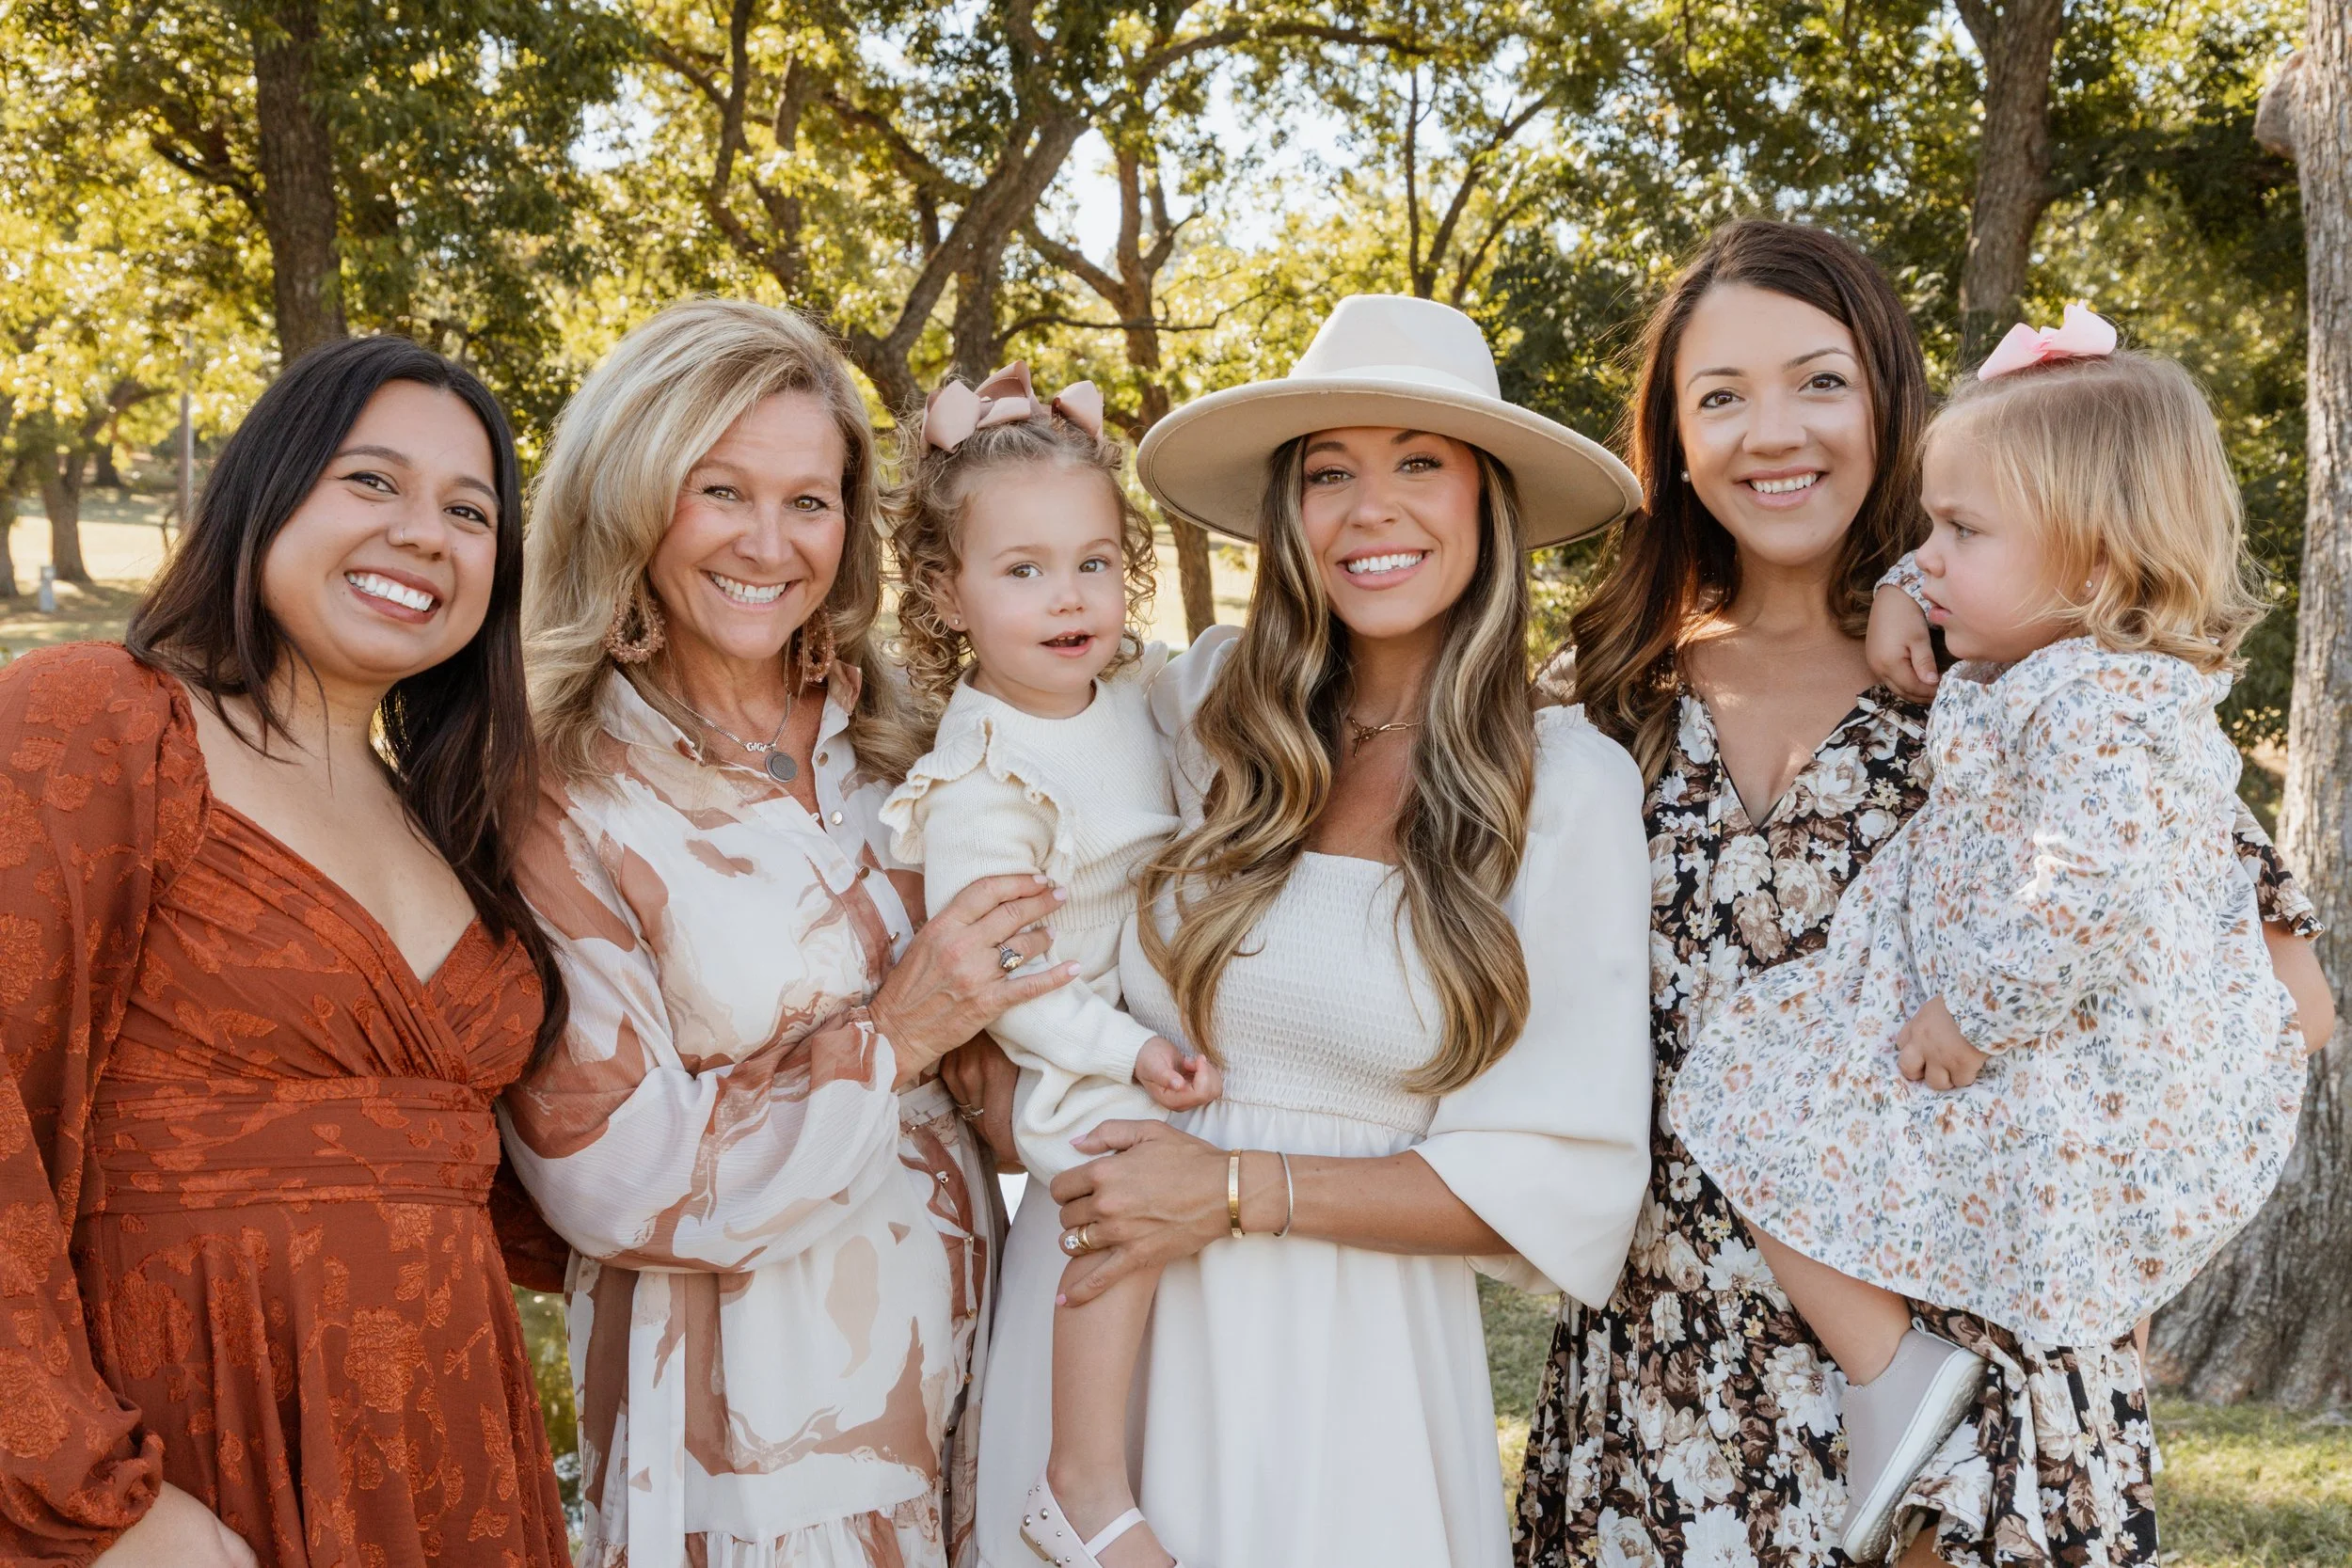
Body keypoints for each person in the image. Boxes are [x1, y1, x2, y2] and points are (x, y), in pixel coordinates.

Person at [1512, 220, 2334, 1568]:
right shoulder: (1597, 701)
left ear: (1891, 395)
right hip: (1658, 1400)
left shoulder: (2028, 679)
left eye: (1819, 380)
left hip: (1973, 1398)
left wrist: (2094, 1242)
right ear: (1671, 435)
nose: (1772, 430)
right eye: (1720, 395)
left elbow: (2282, 1003)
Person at [975, 293, 1657, 1568]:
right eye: (1330, 470)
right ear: (1290, 511)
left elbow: (1557, 1178)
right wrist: (999, 478)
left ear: (1487, 507)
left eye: (1418, 463)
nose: (1370, 506)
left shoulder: (1562, 785)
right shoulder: (1203, 711)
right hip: (1096, 1329)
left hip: (1344, 1360)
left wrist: (1232, 1189)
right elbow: (1000, 711)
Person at [499, 298, 1066, 1568]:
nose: (772, 541)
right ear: (632, 496)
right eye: (722, 490)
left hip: (981, 1374)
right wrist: (899, 1030)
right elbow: (610, 1168)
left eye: (811, 500)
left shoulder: (906, 733)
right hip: (757, 1434)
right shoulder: (564, 789)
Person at [0, 335, 572, 1568]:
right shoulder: (102, 719)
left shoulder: (454, 822)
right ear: (267, 488)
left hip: (456, 1455)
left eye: (469, 510)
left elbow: (555, 1191)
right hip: (192, 1452)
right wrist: (90, 1501)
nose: (425, 530)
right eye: (371, 481)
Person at [878, 364, 1219, 1568]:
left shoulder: (1121, 694)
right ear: (945, 589)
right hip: (1071, 1044)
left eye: (1090, 562)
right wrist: (1126, 1046)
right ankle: (1080, 1481)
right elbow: (1009, 975)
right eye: (1021, 570)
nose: (1066, 595)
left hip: (1132, 999)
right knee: (1116, 1182)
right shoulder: (983, 771)